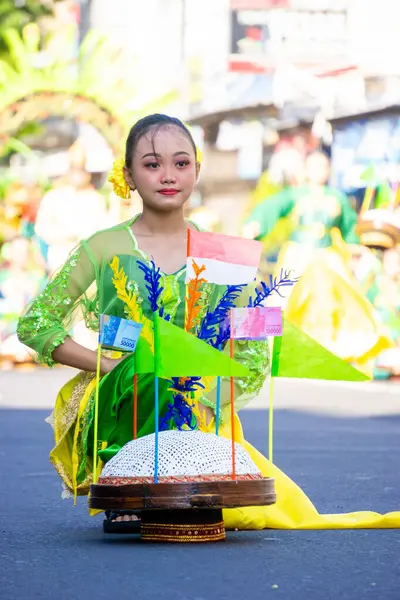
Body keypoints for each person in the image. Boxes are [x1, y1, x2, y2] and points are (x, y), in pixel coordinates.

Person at [17, 115, 400, 531]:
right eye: (151, 164)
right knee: (149, 378)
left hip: (199, 403)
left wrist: (214, 390)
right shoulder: (103, 246)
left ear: (197, 170)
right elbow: (36, 322)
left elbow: (253, 336)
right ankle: (131, 480)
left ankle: (189, 473)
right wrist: (108, 367)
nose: (168, 175)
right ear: (127, 174)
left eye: (181, 163)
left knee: (184, 396)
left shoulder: (221, 254)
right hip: (123, 403)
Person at [242, 152, 391, 375]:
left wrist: (357, 245)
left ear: (328, 170)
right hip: (298, 254)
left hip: (326, 256)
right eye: (313, 166)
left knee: (337, 299)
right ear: (306, 169)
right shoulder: (294, 194)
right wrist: (256, 224)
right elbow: (271, 207)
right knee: (282, 299)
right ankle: (269, 349)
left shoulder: (337, 197)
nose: (318, 171)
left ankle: (329, 349)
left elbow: (349, 226)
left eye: (322, 167)